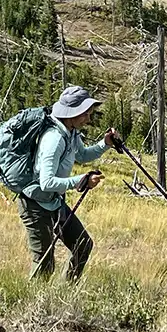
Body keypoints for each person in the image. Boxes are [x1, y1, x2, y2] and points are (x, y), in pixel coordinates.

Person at [22, 85, 120, 281]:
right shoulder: (55, 139)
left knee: (82, 245)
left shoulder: (70, 132)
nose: (88, 119)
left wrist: (105, 144)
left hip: (54, 202)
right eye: (85, 114)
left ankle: (65, 296)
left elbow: (82, 155)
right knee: (44, 263)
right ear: (72, 113)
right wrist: (81, 180)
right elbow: (46, 182)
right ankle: (33, 308)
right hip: (35, 204)